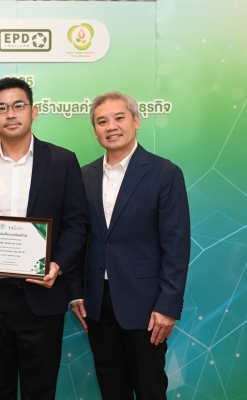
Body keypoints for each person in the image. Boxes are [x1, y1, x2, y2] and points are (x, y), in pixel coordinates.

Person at [0, 77, 89, 400]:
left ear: (34, 111)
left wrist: (57, 265)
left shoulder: (62, 161)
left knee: (40, 390)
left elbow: (76, 223)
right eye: (1, 108)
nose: (10, 113)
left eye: (18, 105)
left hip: (42, 295)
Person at [69, 91, 190, 400]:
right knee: (112, 389)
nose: (111, 127)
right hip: (97, 303)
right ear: (95, 130)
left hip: (146, 305)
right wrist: (77, 293)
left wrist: (167, 306)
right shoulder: (83, 176)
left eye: (119, 118)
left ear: (136, 121)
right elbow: (77, 239)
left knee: (150, 388)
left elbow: (176, 244)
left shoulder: (165, 173)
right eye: (101, 121)